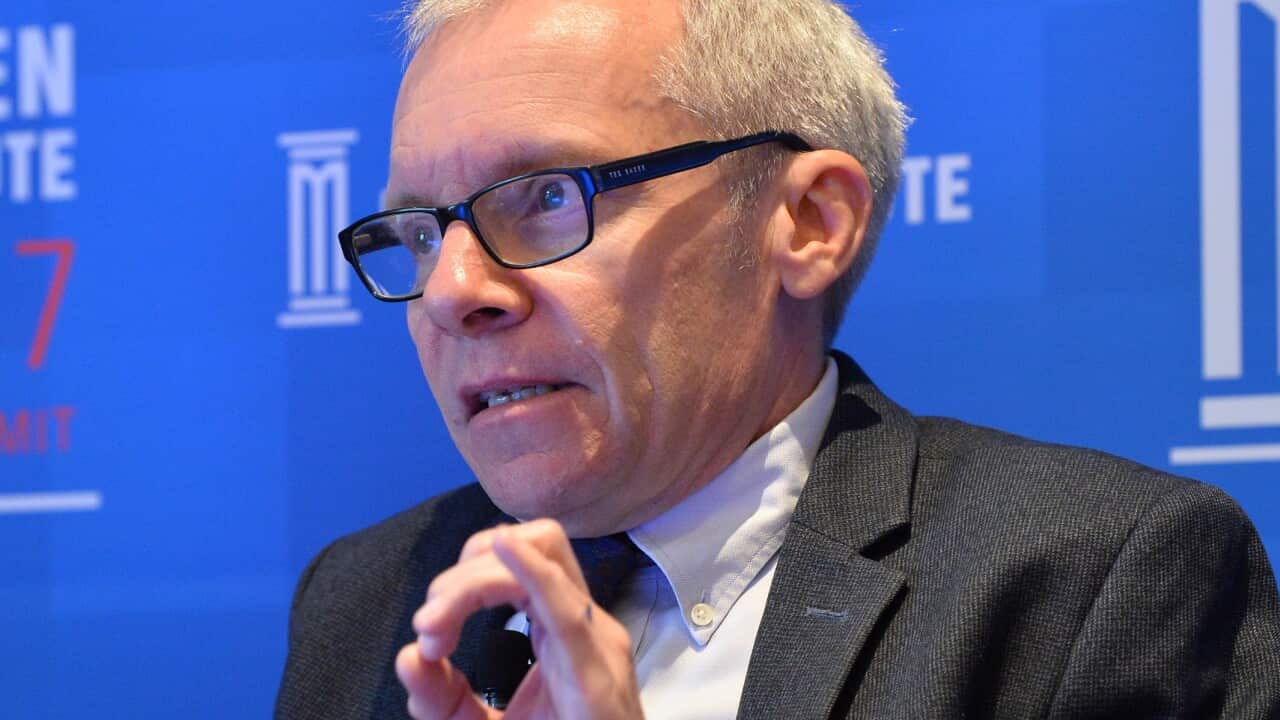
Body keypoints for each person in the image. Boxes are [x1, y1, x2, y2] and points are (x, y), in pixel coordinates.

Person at [274, 0, 1280, 717]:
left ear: (806, 221)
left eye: (543, 196)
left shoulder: (1086, 581)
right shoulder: (370, 597)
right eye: (417, 227)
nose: (453, 290)